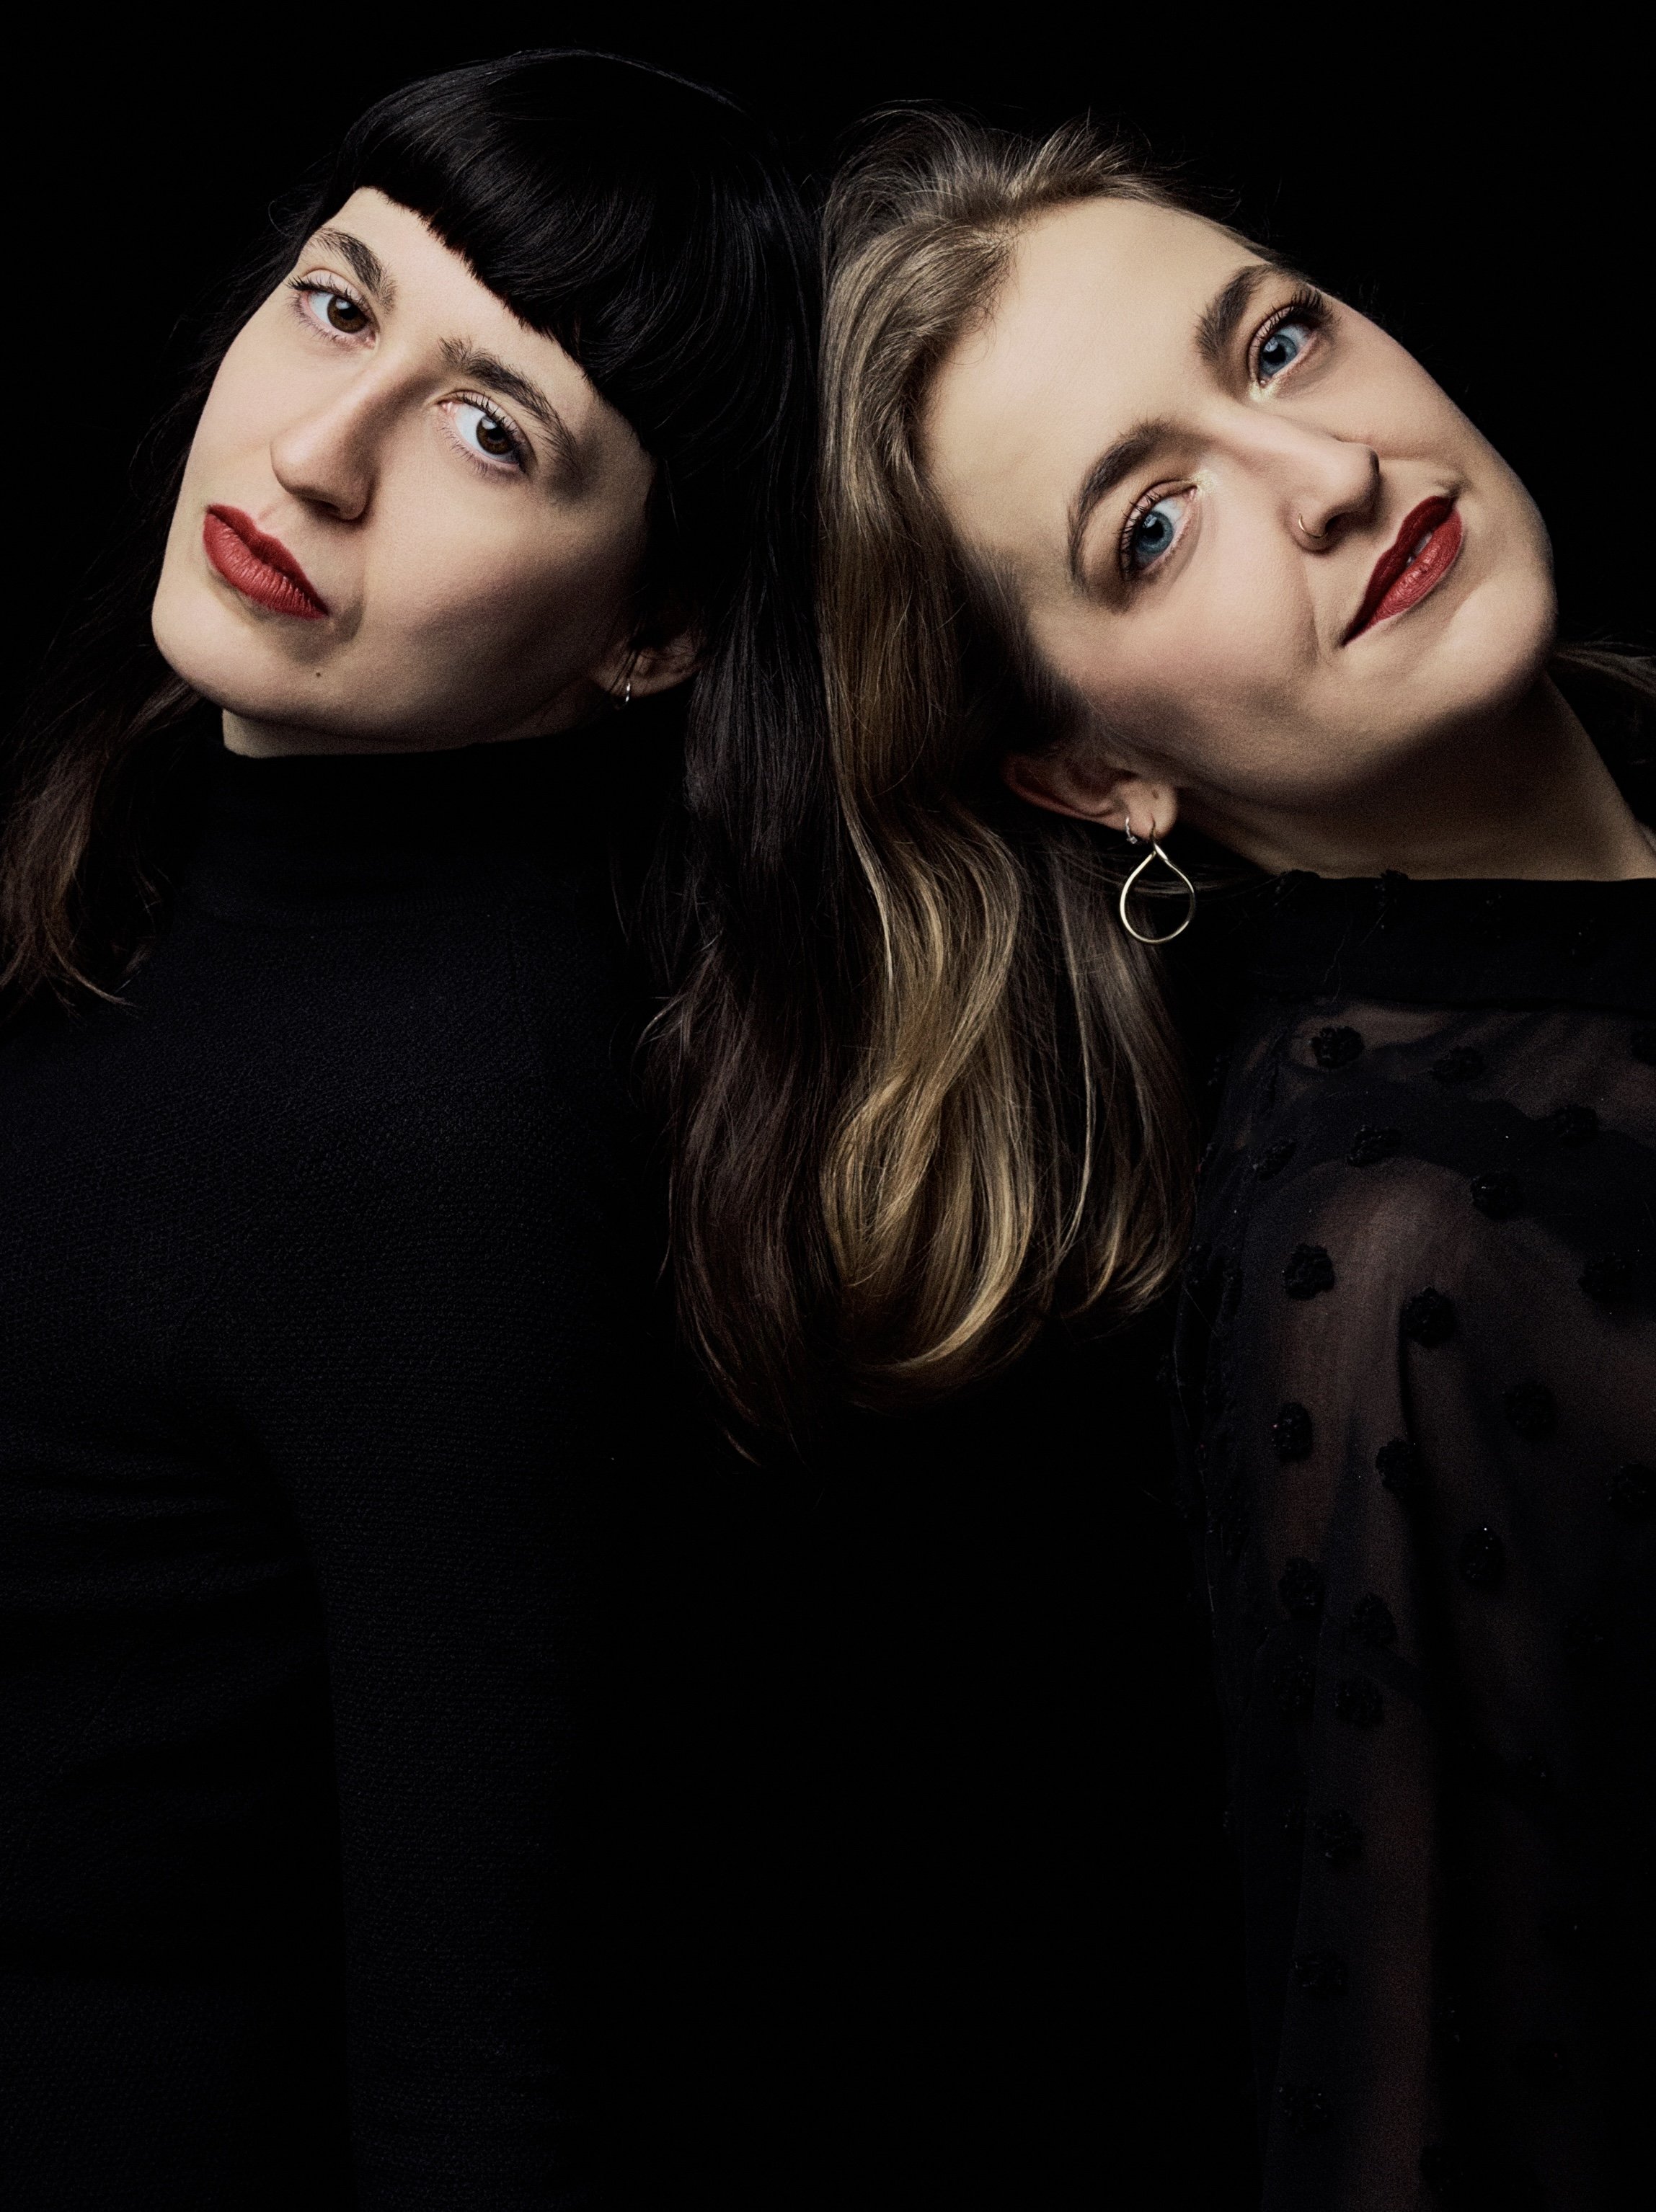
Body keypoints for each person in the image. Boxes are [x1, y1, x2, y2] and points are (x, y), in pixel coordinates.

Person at [788, 111, 1656, 2206]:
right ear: (1095, 772)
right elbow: (1421, 2122)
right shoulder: (1394, 1267)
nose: (1327, 473)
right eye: (1149, 526)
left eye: (1271, 348)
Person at [0, 50, 818, 2210]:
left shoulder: (460, 1138)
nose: (315, 448)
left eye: (493, 429)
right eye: (341, 303)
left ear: (651, 635)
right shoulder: (149, 867)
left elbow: (487, 2071)